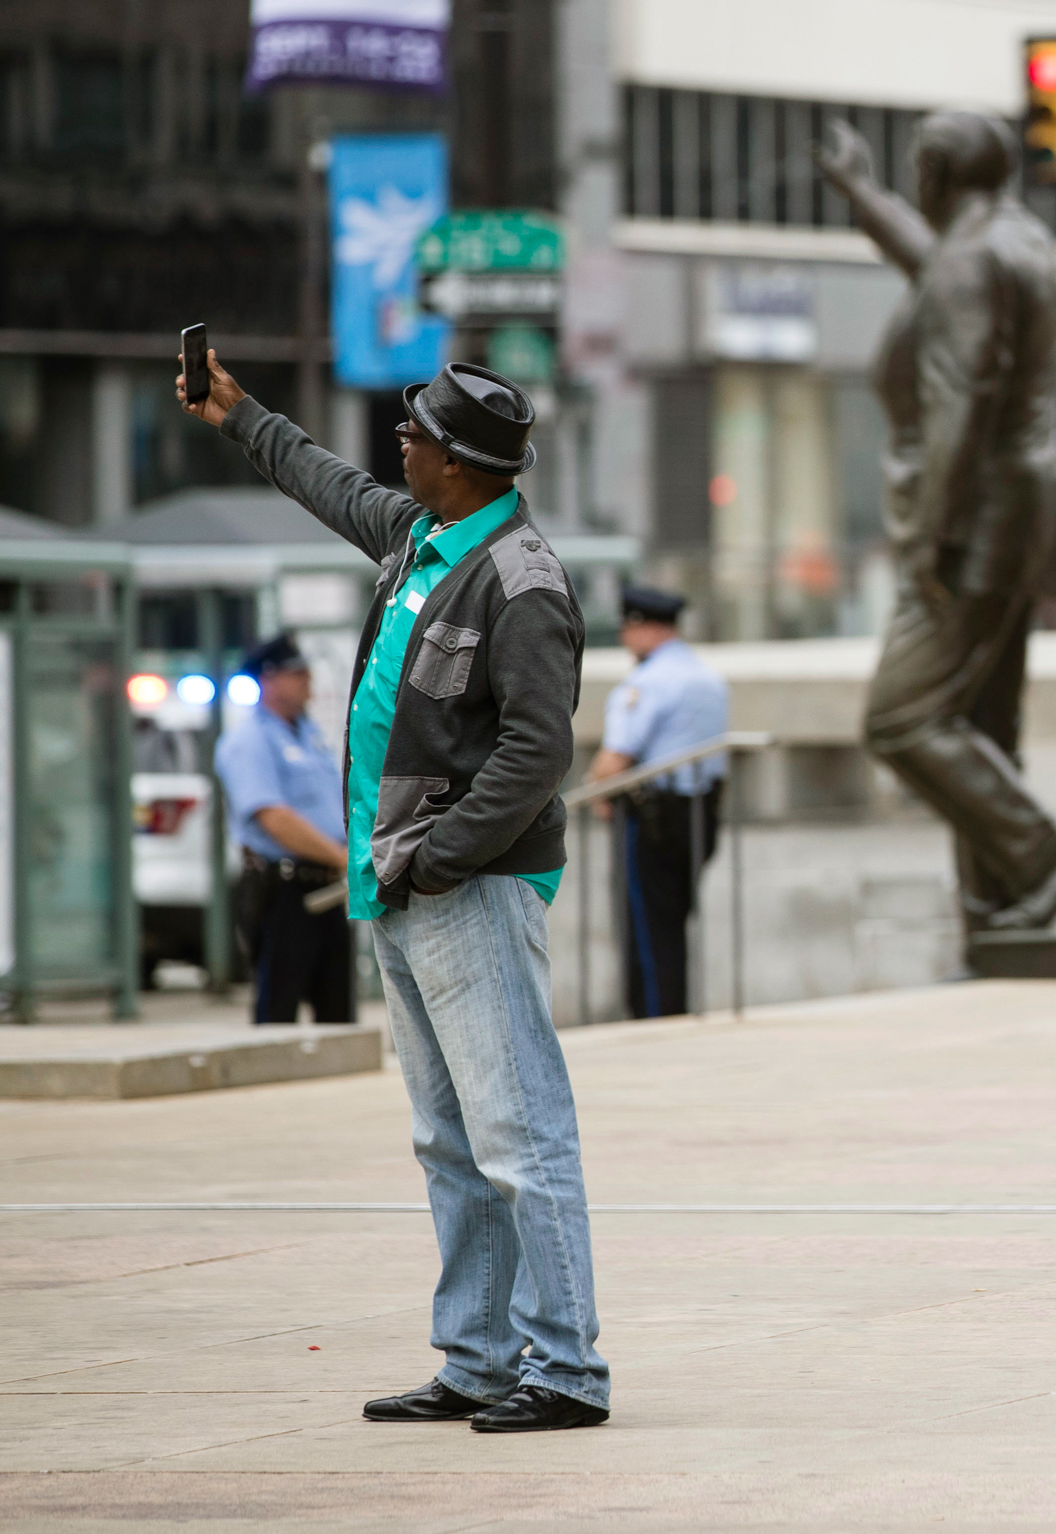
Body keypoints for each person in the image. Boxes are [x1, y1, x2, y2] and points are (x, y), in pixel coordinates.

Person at [180, 348, 609, 1431]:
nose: (398, 447)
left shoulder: (522, 581)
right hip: (402, 886)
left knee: (519, 1133)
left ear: (463, 464)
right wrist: (239, 412)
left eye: (416, 436)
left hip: (464, 887)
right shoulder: (417, 537)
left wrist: (440, 856)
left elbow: (532, 750)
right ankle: (476, 1356)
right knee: (448, 1138)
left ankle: (564, 1369)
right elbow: (327, 479)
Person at [813, 113, 1056, 936]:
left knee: (902, 718)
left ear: (936, 171)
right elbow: (933, 262)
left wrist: (933, 531)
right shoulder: (1018, 241)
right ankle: (1001, 895)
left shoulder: (970, 263)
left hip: (975, 513)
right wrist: (860, 192)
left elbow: (960, 402)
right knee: (981, 718)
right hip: (1025, 503)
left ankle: (1046, 859)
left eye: (913, 172)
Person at [590, 583, 730, 1018]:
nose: (623, 640)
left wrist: (596, 791)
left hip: (653, 817)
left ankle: (654, 1017)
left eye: (627, 630)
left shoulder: (647, 682)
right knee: (673, 921)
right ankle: (673, 1009)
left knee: (646, 928)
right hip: (701, 811)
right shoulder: (707, 676)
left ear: (644, 628)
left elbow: (616, 757)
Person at [213, 633, 353, 1024]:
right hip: (282, 890)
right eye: (297, 674)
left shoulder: (307, 735)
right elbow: (273, 818)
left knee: (337, 1010)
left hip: (325, 888)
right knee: (279, 1009)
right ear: (269, 679)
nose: (308, 680)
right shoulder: (250, 740)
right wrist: (343, 857)